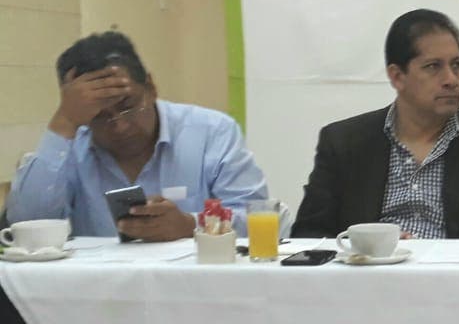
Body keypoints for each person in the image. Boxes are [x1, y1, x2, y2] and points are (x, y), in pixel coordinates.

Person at [293, 9, 459, 239]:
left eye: (456, 65)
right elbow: (308, 234)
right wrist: (366, 246)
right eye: (433, 67)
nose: (451, 80)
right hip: (368, 267)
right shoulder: (343, 142)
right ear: (397, 76)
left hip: (456, 269)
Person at [4, 31, 268, 241]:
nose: (120, 126)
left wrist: (192, 225)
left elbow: (258, 219)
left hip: (195, 287)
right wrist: (64, 121)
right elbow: (24, 227)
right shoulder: (70, 143)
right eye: (99, 115)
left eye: (127, 106)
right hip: (97, 288)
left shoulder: (211, 131)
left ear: (151, 87)